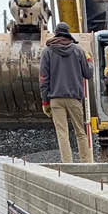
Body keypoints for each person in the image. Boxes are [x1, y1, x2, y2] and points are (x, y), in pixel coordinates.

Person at [39, 22, 93, 163]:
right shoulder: (78, 50)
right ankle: (85, 162)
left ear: (56, 33)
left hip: (56, 99)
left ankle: (67, 163)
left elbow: (44, 79)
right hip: (74, 98)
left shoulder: (47, 52)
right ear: (68, 33)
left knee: (62, 133)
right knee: (80, 132)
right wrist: (89, 61)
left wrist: (45, 101)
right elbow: (88, 74)